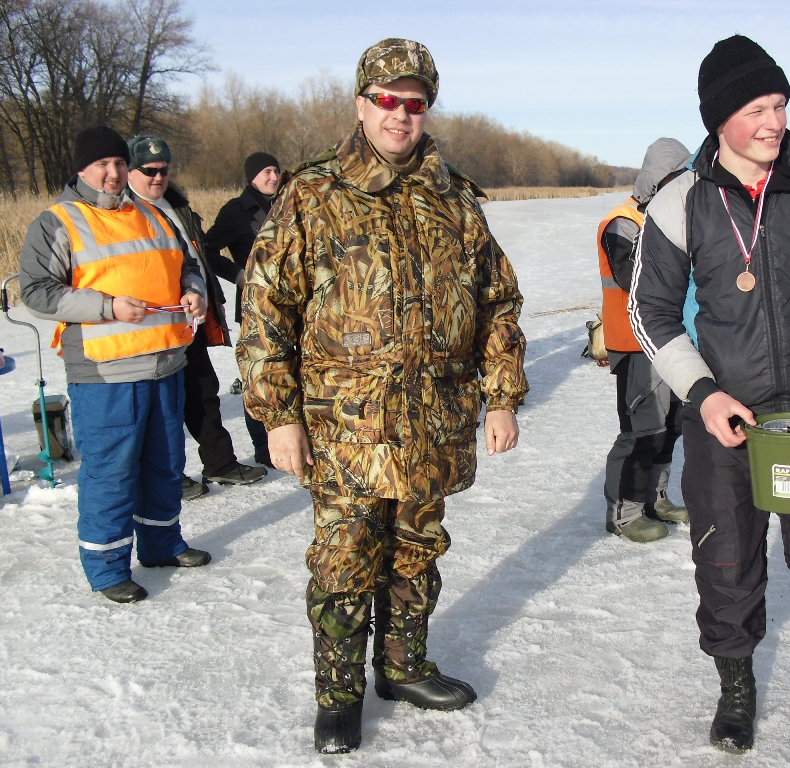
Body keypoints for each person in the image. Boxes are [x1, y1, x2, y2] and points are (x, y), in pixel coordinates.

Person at [235, 39, 527, 754]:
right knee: (344, 556)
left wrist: (501, 397)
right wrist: (277, 415)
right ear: (362, 103)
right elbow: (265, 309)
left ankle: (402, 666)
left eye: (415, 102)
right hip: (346, 427)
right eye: (387, 100)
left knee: (417, 548)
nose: (401, 115)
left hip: (434, 421)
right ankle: (338, 696)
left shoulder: (454, 198)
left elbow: (499, 301)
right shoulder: (313, 193)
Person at [630, 36, 790, 757]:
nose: (774, 121)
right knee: (727, 563)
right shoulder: (682, 201)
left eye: (779, 104)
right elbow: (648, 313)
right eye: (755, 108)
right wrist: (703, 393)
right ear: (719, 119)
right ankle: (735, 689)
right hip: (725, 419)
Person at [19, 125, 212, 603]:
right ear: (82, 168)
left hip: (165, 364)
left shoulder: (153, 213)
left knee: (166, 464)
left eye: (119, 164)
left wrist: (195, 292)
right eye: (103, 165)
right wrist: (106, 307)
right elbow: (36, 293)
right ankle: (106, 568)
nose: (113, 173)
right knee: (111, 472)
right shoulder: (58, 221)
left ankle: (162, 544)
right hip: (106, 373)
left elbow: (186, 263)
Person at [126, 136, 268, 499]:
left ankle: (220, 463)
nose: (159, 177)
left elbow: (197, 256)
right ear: (129, 171)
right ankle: (165, 478)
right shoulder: (126, 211)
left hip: (190, 318)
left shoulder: (177, 206)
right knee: (159, 406)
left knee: (204, 391)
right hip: (148, 326)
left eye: (164, 171)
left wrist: (205, 295)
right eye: (149, 171)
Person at [598, 138, 691, 543]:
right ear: (657, 178)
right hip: (635, 344)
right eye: (674, 178)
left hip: (670, 341)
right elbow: (631, 278)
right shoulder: (624, 221)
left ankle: (655, 498)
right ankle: (624, 513)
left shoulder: (671, 217)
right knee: (642, 429)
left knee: (671, 426)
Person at [205, 152, 282, 466]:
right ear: (251, 176)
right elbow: (207, 249)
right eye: (266, 171)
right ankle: (264, 449)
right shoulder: (236, 212)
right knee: (260, 376)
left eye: (276, 171)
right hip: (256, 305)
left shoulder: (288, 204)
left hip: (296, 303)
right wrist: (238, 274)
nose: (273, 177)